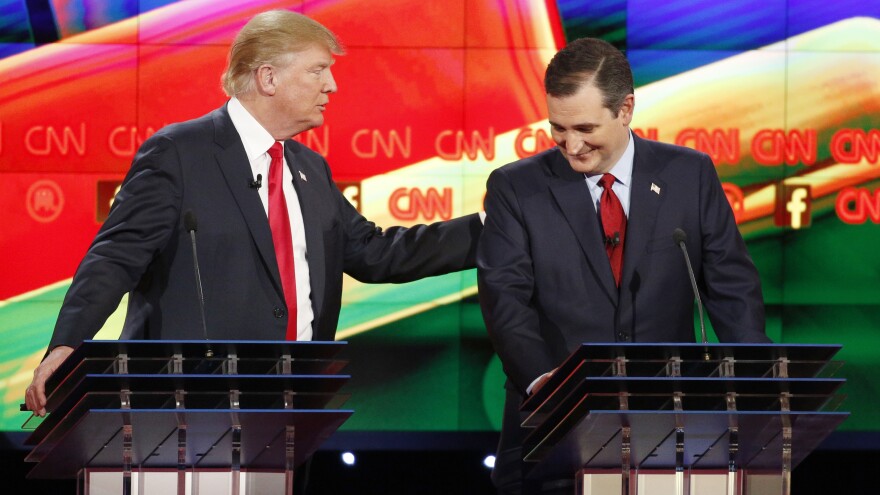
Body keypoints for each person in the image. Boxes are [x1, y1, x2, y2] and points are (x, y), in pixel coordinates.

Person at [25, 10, 481, 415]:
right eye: (318, 70)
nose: (332, 85)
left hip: (292, 407)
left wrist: (491, 230)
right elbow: (114, 258)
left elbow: (376, 253)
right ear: (268, 78)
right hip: (185, 407)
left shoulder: (309, 168)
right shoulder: (180, 153)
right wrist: (66, 344)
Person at [477, 38, 770, 494]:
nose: (572, 145)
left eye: (585, 128)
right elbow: (504, 301)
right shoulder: (516, 188)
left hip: (670, 432)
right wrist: (544, 382)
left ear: (626, 109)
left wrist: (757, 384)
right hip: (555, 433)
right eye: (558, 128)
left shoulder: (689, 175)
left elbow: (732, 290)